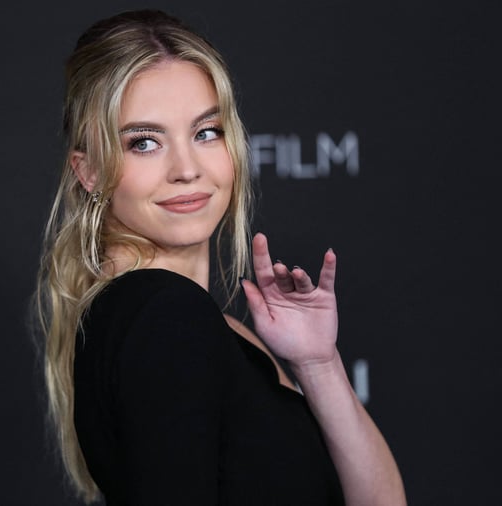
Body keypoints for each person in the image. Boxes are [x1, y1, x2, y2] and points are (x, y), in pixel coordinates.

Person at [34, 8, 406, 505]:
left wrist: (318, 364)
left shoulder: (195, 323)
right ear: (90, 172)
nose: (186, 169)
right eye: (144, 143)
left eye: (205, 132)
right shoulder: (164, 315)